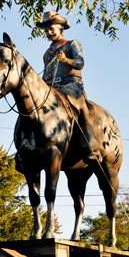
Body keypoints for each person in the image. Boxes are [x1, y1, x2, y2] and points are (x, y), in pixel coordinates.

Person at [37, 11, 104, 162]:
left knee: (82, 105)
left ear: (60, 28)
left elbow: (80, 63)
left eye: (51, 29)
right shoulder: (47, 53)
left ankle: (92, 145)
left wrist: (66, 60)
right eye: (46, 30)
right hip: (51, 88)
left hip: (71, 86)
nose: (48, 33)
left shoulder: (73, 44)